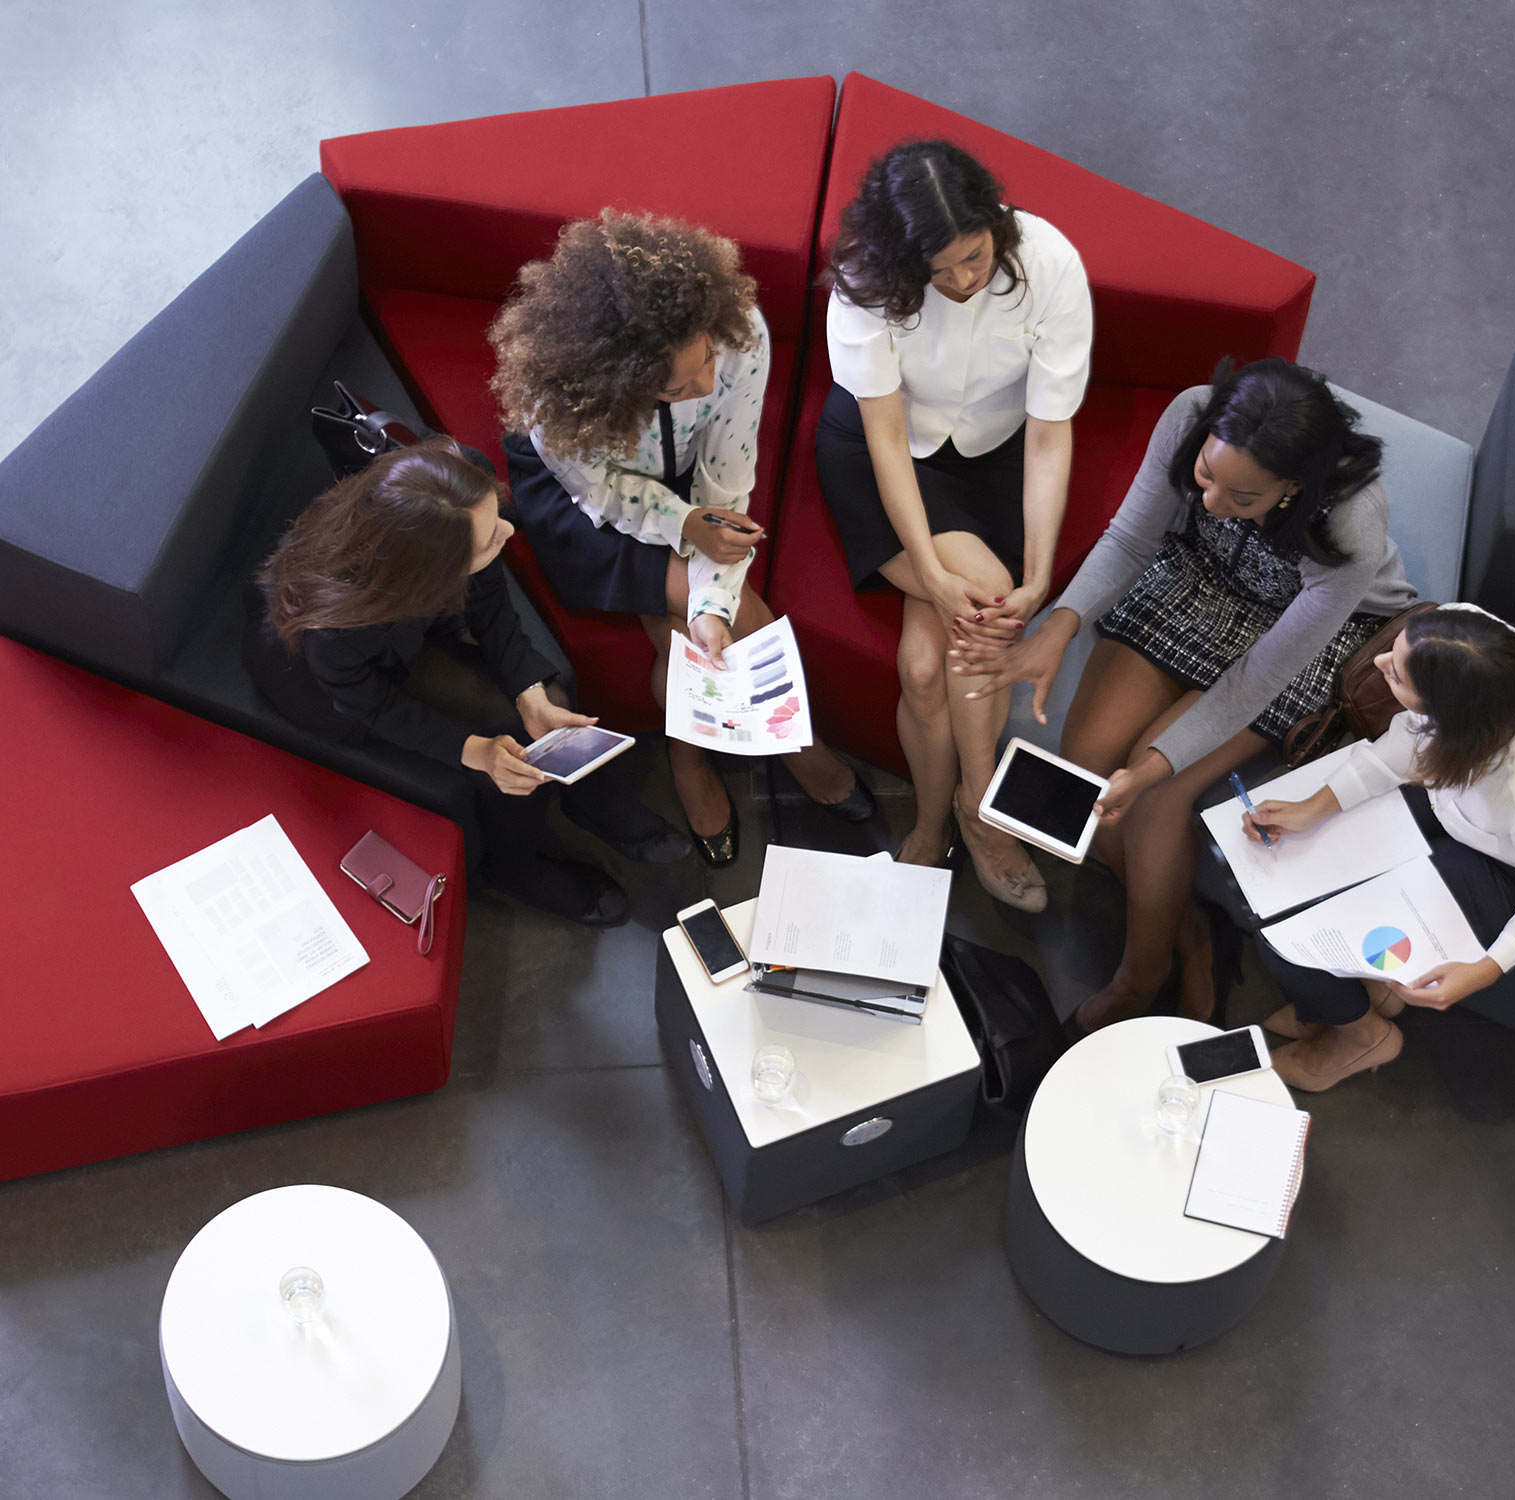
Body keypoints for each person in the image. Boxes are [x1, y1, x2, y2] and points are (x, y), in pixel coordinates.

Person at [957, 358, 1413, 1027]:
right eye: (1205, 476)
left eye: (1243, 499)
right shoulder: (1192, 411)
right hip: (1197, 577)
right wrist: (1058, 626)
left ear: (1293, 487)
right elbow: (1130, 541)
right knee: (1087, 761)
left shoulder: (1351, 522)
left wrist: (1151, 766)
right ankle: (1185, 927)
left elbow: (1257, 678)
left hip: (1299, 629)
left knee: (1156, 794)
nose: (1210, 504)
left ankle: (1143, 978)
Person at [488, 211, 873, 867]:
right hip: (588, 496)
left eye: (706, 363)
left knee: (695, 617)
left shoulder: (736, 334)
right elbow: (606, 493)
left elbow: (724, 485)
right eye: (677, 386)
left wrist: (712, 601)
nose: (704, 384)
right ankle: (792, 744)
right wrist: (688, 532)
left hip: (686, 470)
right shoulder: (561, 411)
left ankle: (687, 756)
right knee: (686, 604)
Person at [246, 440, 689, 927]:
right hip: (333, 690)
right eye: (490, 539)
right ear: (434, 575)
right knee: (503, 750)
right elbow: (375, 707)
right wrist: (475, 751)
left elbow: (492, 607)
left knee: (549, 698)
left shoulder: (456, 497)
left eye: (497, 516)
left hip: (408, 624)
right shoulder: (334, 634)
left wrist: (531, 694)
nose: (508, 529)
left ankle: (582, 790)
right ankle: (513, 867)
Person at [815, 139, 1093, 911]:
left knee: (927, 669)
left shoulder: (1052, 264)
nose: (965, 281)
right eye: (941, 272)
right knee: (981, 594)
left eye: (975, 257)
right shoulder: (864, 282)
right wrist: (929, 572)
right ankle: (981, 811)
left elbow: (1047, 430)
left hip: (995, 456)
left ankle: (938, 820)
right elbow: (881, 436)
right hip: (884, 457)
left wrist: (1041, 571)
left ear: (994, 221)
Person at [1243, 604, 1515, 1091]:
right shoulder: (1468, 636)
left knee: (1284, 942)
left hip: (1512, 863)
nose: (1378, 665)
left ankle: (1362, 1037)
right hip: (1450, 803)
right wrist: (1315, 806)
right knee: (1282, 893)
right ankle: (1348, 1001)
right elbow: (1409, 740)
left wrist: (1486, 969)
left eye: (1395, 676)